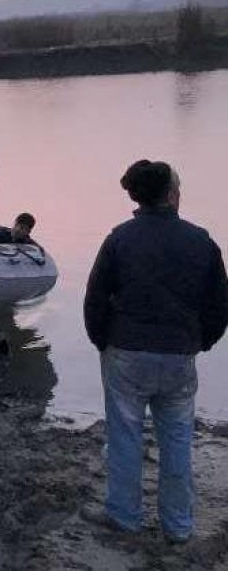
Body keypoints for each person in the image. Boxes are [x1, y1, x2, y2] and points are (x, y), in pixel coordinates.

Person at [82, 159, 228, 543]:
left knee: (125, 435)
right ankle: (178, 526)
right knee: (178, 439)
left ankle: (124, 516)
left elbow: (95, 298)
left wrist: (103, 341)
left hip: (126, 351)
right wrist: (200, 341)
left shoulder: (119, 238)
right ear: (170, 195)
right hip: (179, 353)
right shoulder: (201, 241)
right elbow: (218, 305)